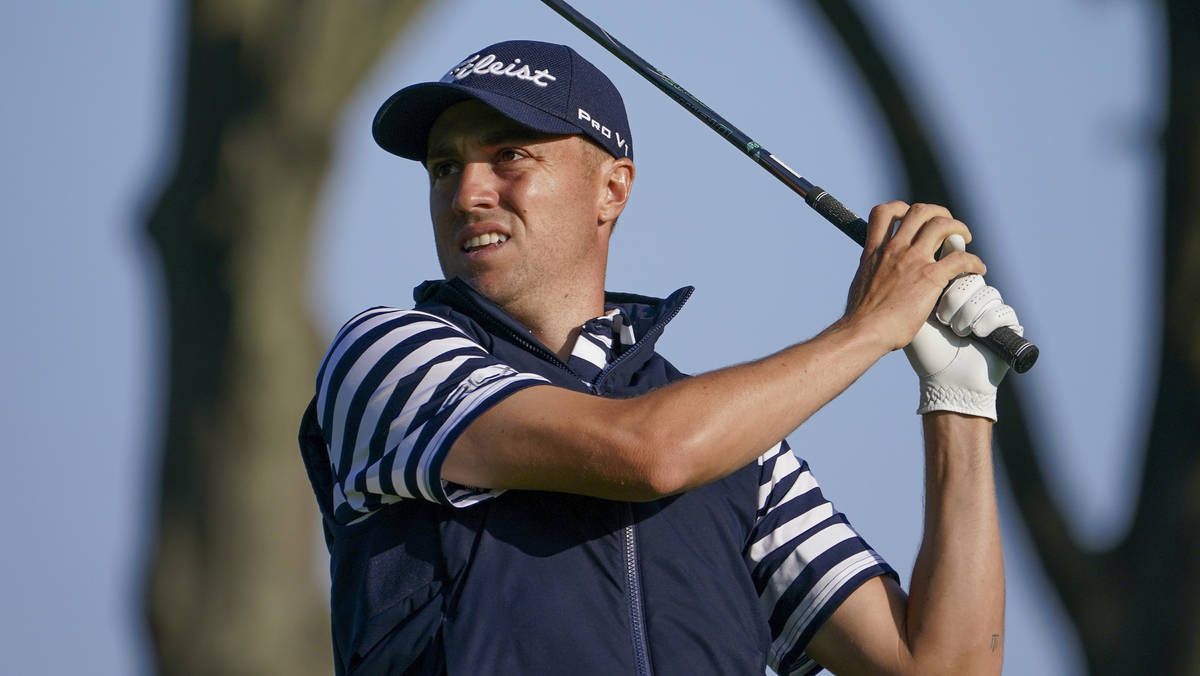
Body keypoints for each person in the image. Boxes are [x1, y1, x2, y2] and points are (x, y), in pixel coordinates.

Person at [298, 39, 1019, 676]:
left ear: (612, 189)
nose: (466, 193)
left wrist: (960, 403)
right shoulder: (384, 358)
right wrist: (870, 326)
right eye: (443, 167)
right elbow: (647, 454)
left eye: (508, 155)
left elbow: (937, 668)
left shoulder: (743, 453)